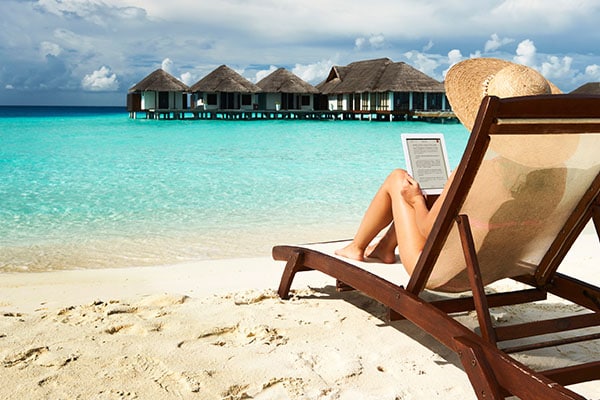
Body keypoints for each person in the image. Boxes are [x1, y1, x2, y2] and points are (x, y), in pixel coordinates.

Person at [335, 58, 561, 276]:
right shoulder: (556, 177)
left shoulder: (477, 173)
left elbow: (426, 229)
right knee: (439, 196)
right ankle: (384, 247)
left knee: (399, 179)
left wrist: (415, 199)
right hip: (498, 265)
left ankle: (356, 247)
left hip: (443, 272)